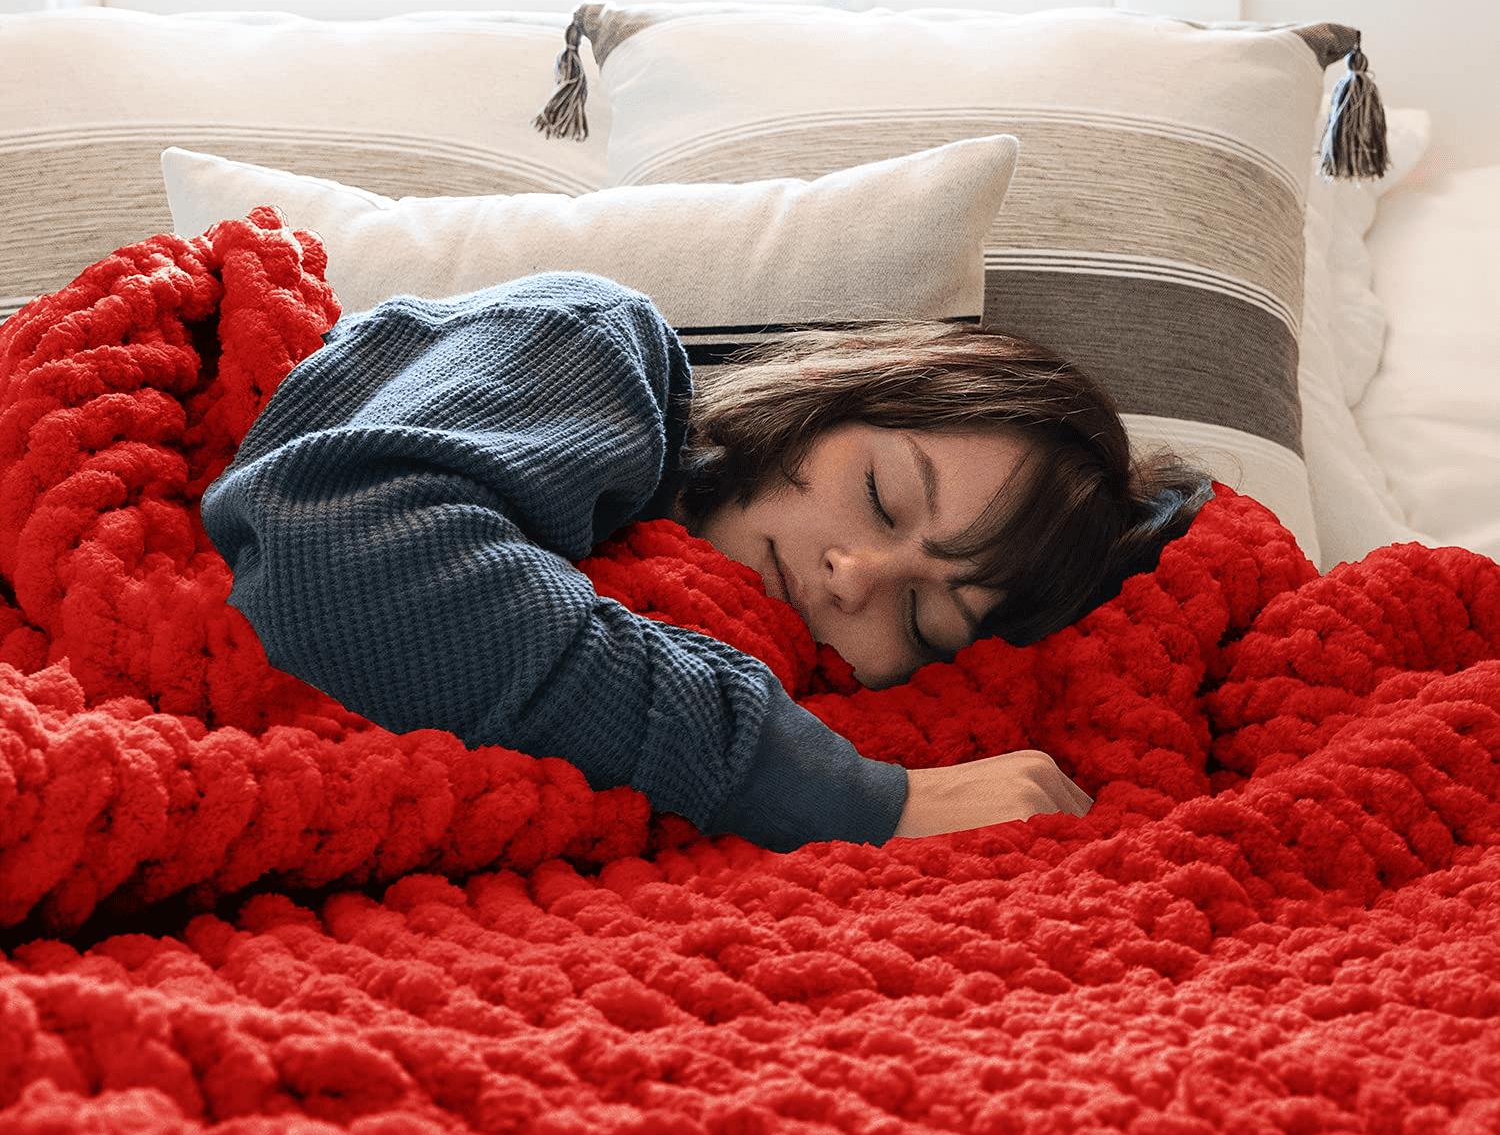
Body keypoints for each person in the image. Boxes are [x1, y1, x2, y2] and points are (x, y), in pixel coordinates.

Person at [201, 271, 1210, 852]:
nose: (854, 577)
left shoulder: (819, 674)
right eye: (883, 495)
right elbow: (344, 553)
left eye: (921, 621)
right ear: (824, 389)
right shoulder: (596, 349)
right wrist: (859, 799)